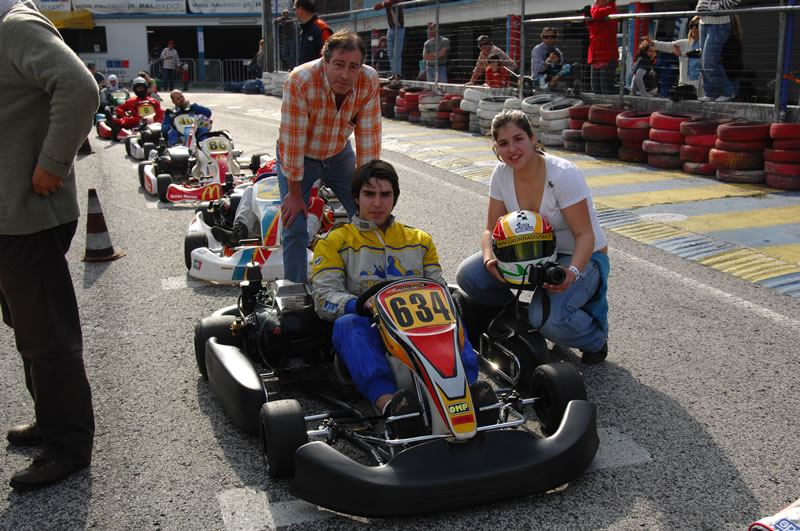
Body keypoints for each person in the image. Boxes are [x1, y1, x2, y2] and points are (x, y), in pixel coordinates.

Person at [0, 0, 97, 491]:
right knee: (27, 329)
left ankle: (67, 445)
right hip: (9, 215)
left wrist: (52, 164)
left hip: (29, 214)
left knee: (48, 339)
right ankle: (50, 417)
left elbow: (80, 87)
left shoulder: (13, 25)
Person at [311, 160, 479, 418]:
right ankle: (390, 405)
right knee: (348, 324)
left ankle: (468, 390)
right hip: (369, 330)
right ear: (356, 198)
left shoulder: (420, 241)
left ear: (395, 198)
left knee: (449, 310)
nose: (377, 203)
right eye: (369, 194)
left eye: (385, 194)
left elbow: (438, 288)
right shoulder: (334, 243)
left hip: (420, 330)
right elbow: (324, 299)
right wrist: (361, 304)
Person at [218, 31, 380, 283]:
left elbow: (368, 138)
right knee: (294, 226)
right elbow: (292, 141)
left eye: (353, 67)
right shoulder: (300, 81)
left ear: (361, 67)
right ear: (324, 61)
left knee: (368, 213)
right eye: (338, 64)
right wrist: (294, 194)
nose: (346, 74)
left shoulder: (369, 80)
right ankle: (295, 291)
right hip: (300, 155)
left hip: (338, 152)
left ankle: (366, 280)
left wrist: (369, 187)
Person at [456, 110, 609, 364]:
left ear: (532, 138)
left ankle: (594, 337)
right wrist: (488, 259)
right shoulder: (501, 173)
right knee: (469, 275)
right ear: (496, 147)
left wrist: (571, 272)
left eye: (518, 139)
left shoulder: (563, 174)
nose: (512, 149)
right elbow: (489, 229)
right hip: (531, 252)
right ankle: (521, 314)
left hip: (581, 256)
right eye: (503, 143)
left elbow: (585, 235)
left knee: (551, 323)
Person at [648, 16, 703, 99]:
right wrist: (652, 43)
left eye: (697, 26)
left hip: (701, 84)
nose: (694, 28)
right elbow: (667, 46)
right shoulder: (684, 43)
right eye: (692, 26)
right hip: (685, 84)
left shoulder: (705, 44)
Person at [695, 0, 740, 102]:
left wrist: (715, 7)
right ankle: (711, 93)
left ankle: (727, 91)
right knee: (703, 62)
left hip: (718, 23)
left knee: (709, 61)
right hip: (704, 22)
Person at [110, 76, 164, 140]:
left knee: (163, 112)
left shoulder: (153, 100)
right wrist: (124, 115)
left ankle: (163, 128)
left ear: (146, 88)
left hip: (153, 120)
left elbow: (159, 111)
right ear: (135, 90)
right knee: (128, 120)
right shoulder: (131, 101)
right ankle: (115, 122)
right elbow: (119, 108)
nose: (141, 90)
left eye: (142, 88)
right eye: (139, 88)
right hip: (138, 121)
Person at [586, 0, 619, 95]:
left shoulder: (611, 8)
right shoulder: (601, 10)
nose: (597, 1)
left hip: (607, 56)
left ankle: (608, 109)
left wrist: (593, 8)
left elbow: (596, 14)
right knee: (596, 88)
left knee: (606, 90)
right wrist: (587, 16)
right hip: (596, 55)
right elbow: (592, 30)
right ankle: (599, 109)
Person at [374, 0, 407, 78]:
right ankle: (394, 73)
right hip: (391, 28)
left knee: (397, 53)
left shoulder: (394, 2)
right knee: (391, 53)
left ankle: (397, 74)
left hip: (399, 28)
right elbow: (376, 7)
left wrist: (383, 4)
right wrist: (383, 4)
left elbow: (388, 3)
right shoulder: (387, 3)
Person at [294, 0, 333, 66]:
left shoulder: (321, 28)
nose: (294, 12)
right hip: (306, 74)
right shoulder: (304, 30)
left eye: (294, 9)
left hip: (318, 75)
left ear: (300, 9)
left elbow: (329, 59)